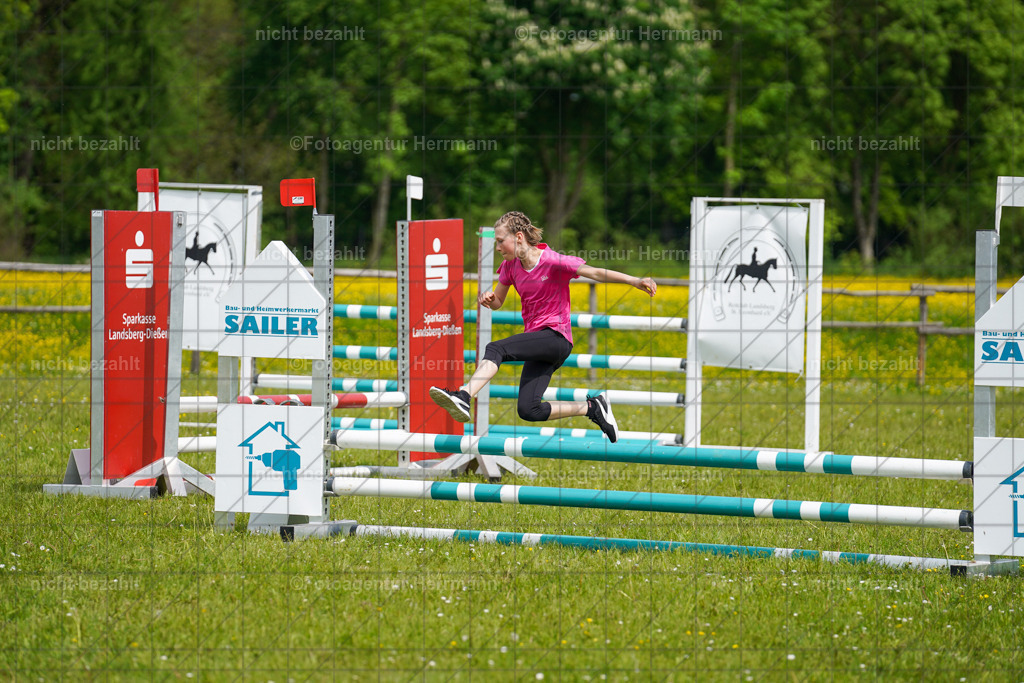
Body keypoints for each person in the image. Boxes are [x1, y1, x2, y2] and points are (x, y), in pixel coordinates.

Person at [429, 211, 657, 443]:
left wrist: (634, 281)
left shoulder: (553, 261)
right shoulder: (510, 267)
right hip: (538, 342)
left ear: (518, 237)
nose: (498, 248)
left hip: (556, 338)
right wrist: (489, 299)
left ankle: (465, 395)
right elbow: (498, 302)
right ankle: (592, 407)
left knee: (496, 349)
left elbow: (595, 272)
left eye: (500, 241)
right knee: (529, 410)